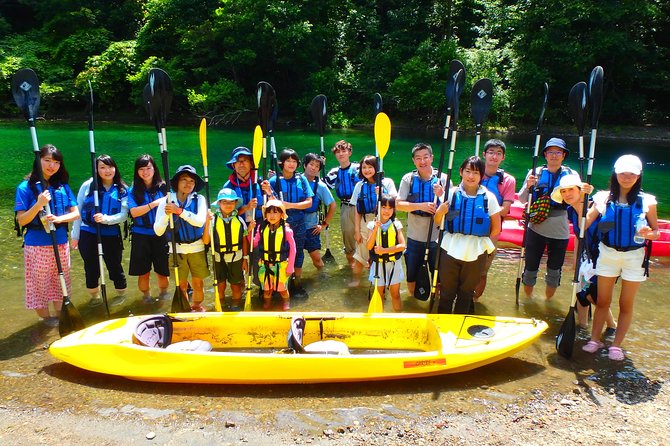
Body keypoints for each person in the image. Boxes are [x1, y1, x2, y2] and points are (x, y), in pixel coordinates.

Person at [582, 155, 660, 361]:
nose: (627, 177)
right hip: (607, 255)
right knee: (603, 301)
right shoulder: (602, 198)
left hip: (634, 257)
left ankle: (616, 345)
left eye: (632, 174)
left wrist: (647, 233)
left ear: (638, 176)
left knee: (626, 303)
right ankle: (595, 339)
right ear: (615, 174)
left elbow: (656, 232)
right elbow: (586, 223)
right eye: (623, 173)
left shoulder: (647, 201)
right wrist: (579, 200)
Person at [14, 144, 80, 325]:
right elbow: (22, 220)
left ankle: (60, 317)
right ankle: (45, 320)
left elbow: (76, 214)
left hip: (60, 241)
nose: (52, 166)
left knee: (61, 281)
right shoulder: (25, 187)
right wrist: (38, 204)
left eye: (56, 162)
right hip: (37, 244)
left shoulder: (62, 186)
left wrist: (59, 219)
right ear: (38, 161)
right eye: (47, 161)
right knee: (39, 285)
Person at [434, 156, 501, 314]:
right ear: (461, 172)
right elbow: (438, 222)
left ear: (481, 176)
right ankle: (443, 327)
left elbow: (496, 228)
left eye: (476, 173)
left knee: (466, 293)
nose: (471, 176)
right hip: (450, 247)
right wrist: (439, 212)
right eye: (468, 171)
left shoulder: (489, 198)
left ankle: (461, 327)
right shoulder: (450, 194)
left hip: (476, 250)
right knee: (446, 292)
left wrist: (485, 246)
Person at [550, 174, 616, 334]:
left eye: (571, 190)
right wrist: (575, 261)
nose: (567, 194)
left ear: (580, 190)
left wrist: (583, 203)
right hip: (587, 259)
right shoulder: (571, 210)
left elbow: (585, 225)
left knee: (594, 296)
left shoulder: (598, 207)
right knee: (580, 293)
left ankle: (612, 325)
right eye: (564, 191)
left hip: (605, 258)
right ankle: (583, 326)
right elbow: (578, 236)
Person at [517, 137, 577, 299]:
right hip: (536, 228)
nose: (554, 155)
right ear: (545, 155)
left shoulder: (571, 175)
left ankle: (547, 300)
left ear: (563, 155)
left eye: (558, 152)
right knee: (530, 268)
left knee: (554, 271)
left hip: (560, 231)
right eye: (551, 152)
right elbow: (522, 199)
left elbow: (578, 201)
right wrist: (528, 186)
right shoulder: (535, 173)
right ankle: (528, 300)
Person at [71, 154, 128, 306]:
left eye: (110, 167)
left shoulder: (122, 189)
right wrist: (75, 235)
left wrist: (106, 219)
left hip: (111, 234)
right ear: (96, 169)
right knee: (91, 268)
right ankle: (95, 297)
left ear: (115, 168)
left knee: (115, 266)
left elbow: (124, 215)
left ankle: (121, 295)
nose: (107, 171)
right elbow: (78, 211)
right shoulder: (89, 185)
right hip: (88, 232)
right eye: (102, 167)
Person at [154, 165, 209, 312]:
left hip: (197, 247)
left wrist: (179, 211)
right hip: (176, 250)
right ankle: (184, 309)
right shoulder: (166, 201)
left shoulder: (200, 199)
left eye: (191, 181)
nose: (188, 184)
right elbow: (158, 231)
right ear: (177, 183)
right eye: (184, 180)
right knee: (181, 285)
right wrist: (167, 214)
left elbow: (199, 221)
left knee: (198, 284)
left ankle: (197, 307)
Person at [396, 143, 447, 296]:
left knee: (438, 278)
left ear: (432, 158)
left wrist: (441, 194)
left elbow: (450, 206)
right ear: (413, 161)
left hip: (436, 238)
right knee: (411, 277)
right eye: (418, 158)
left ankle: (435, 304)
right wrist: (421, 206)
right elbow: (398, 205)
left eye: (426, 157)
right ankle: (413, 304)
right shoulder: (408, 179)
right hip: (414, 237)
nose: (422, 161)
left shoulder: (443, 179)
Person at [261, 148, 313, 298]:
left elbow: (309, 202)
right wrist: (269, 193)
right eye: (288, 161)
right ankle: (276, 284)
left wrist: (289, 205)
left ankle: (296, 284)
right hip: (279, 224)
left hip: (298, 222)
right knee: (278, 253)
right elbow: (270, 205)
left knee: (298, 253)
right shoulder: (274, 181)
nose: (291, 164)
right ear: (282, 163)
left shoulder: (302, 179)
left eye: (294, 161)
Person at [474, 139, 516, 299]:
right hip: (470, 227)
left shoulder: (508, 180)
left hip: (491, 231)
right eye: (491, 152)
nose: (494, 156)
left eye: (498, 153)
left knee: (483, 271)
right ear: (484, 154)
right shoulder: (473, 173)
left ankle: (474, 301)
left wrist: (485, 213)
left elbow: (505, 209)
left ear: (503, 157)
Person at [127, 154, 170, 303]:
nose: (145, 172)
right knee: (143, 272)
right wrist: (154, 204)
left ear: (154, 169)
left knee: (163, 270)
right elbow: (134, 212)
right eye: (141, 169)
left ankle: (164, 294)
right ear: (137, 171)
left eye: (148, 168)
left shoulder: (164, 187)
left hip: (161, 234)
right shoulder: (133, 190)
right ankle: (146, 296)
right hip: (141, 234)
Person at [350, 155, 397, 286]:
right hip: (366, 222)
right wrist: (357, 231)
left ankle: (382, 282)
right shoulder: (359, 185)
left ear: (376, 168)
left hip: (384, 221)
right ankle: (356, 281)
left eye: (370, 167)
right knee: (360, 255)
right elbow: (357, 210)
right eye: (364, 167)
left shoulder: (386, 182)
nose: (367, 170)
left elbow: (394, 203)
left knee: (381, 254)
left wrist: (381, 194)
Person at [248, 200, 297, 311]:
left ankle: (285, 302)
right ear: (265, 215)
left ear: (281, 215)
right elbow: (254, 243)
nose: (272, 216)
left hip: (281, 265)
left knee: (282, 289)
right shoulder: (262, 228)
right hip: (265, 265)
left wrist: (290, 267)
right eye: (269, 213)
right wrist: (250, 231)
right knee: (266, 289)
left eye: (275, 212)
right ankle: (267, 304)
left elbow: (293, 250)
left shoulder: (286, 230)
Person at [210, 188, 249, 311]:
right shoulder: (213, 220)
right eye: (224, 202)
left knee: (236, 285)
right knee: (220, 285)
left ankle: (236, 305)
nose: (228, 205)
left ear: (236, 204)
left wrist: (245, 259)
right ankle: (221, 304)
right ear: (219, 204)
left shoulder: (239, 220)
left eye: (231, 202)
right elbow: (207, 240)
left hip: (236, 257)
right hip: (218, 257)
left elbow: (244, 240)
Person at [366, 195, 406, 312]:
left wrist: (384, 251)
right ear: (378, 208)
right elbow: (369, 246)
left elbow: (403, 246)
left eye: (390, 208)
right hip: (378, 265)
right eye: (383, 207)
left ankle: (398, 318)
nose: (386, 211)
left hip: (393, 264)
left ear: (393, 210)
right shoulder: (372, 225)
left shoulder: (396, 224)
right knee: (379, 294)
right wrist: (375, 229)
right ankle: (380, 319)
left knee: (395, 294)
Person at [324, 140, 360, 266]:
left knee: (365, 236)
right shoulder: (333, 173)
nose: (341, 154)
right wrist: (320, 168)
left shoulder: (358, 168)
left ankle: (367, 268)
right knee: (349, 240)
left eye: (344, 151)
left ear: (349, 152)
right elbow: (321, 186)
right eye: (338, 152)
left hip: (361, 206)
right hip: (346, 206)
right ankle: (352, 268)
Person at [302, 153, 336, 269]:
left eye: (317, 166)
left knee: (317, 259)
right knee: (295, 259)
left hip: (312, 228)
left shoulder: (320, 186)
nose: (314, 168)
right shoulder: (296, 181)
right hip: (296, 226)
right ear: (305, 165)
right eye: (311, 164)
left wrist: (324, 224)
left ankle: (322, 280)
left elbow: (333, 205)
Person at [223, 146, 263, 223]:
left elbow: (276, 205)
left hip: (258, 224)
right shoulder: (228, 187)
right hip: (237, 225)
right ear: (233, 165)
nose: (241, 164)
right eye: (238, 161)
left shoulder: (260, 182)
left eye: (245, 160)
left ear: (251, 164)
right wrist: (246, 208)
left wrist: (269, 192)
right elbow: (225, 215)